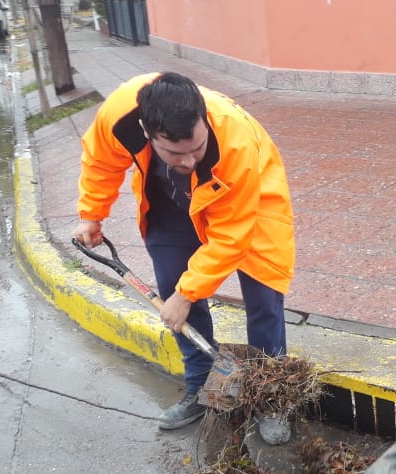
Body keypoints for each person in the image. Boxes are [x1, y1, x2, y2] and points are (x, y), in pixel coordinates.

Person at [73, 72, 296, 442]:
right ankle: (200, 389)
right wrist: (92, 215)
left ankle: (270, 397)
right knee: (175, 287)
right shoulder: (120, 116)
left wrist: (186, 295)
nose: (190, 160)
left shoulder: (234, 141)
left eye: (197, 147)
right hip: (170, 203)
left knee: (263, 296)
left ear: (204, 121)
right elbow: (101, 161)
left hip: (247, 202)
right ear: (147, 131)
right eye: (176, 153)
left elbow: (231, 237)